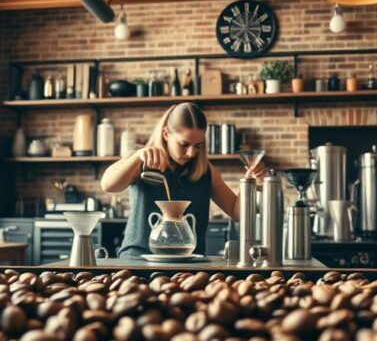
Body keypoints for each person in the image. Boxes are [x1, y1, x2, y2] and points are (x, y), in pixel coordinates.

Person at [101, 102, 264, 257]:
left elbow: (236, 213)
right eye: (184, 144)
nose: (191, 153)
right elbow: (108, 185)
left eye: (198, 145)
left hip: (189, 264)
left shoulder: (207, 171)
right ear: (166, 134)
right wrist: (137, 155)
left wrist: (250, 183)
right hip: (138, 261)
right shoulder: (142, 161)